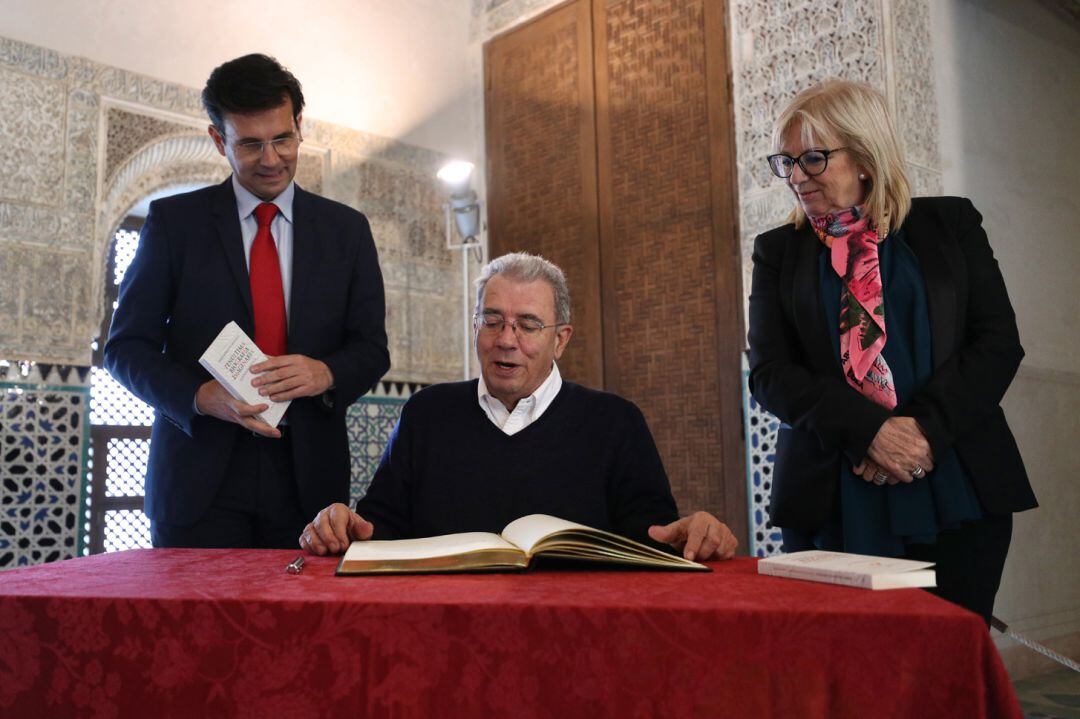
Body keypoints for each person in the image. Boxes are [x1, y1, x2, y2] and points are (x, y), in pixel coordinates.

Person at [747, 78, 1036, 624]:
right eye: (785, 162)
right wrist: (870, 432)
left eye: (812, 157)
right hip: (830, 494)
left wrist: (920, 431)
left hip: (954, 483)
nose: (797, 177)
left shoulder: (949, 225)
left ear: (864, 156)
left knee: (945, 672)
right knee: (850, 675)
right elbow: (769, 374)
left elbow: (997, 342)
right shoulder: (778, 252)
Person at [105, 54, 389, 549]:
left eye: (282, 138)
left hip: (309, 485)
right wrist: (200, 397)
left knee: (302, 627)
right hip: (198, 478)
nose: (272, 159)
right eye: (251, 144)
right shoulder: (176, 225)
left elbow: (371, 348)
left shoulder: (347, 232)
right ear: (219, 141)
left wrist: (326, 372)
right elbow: (125, 348)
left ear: (300, 125)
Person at [301, 252, 738, 562]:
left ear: (560, 339)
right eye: (491, 321)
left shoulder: (615, 423)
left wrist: (692, 535)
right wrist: (342, 523)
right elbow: (380, 530)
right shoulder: (426, 414)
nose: (506, 340)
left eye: (528, 325)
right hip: (442, 628)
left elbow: (651, 544)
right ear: (475, 327)